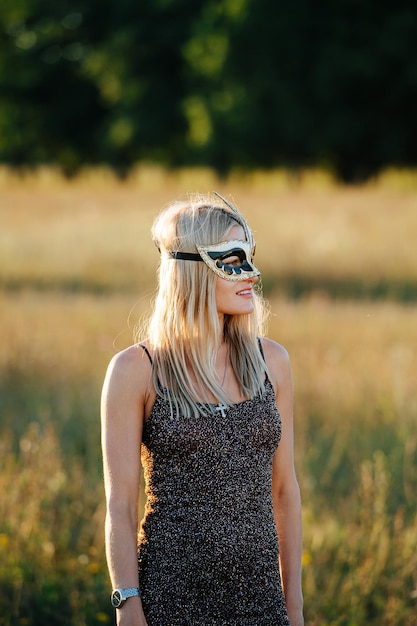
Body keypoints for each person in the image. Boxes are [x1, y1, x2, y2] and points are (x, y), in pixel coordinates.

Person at [101, 192, 304, 626]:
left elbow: (285, 491)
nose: (252, 273)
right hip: (170, 599)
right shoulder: (136, 370)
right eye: (233, 260)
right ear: (190, 269)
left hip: (261, 601)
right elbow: (120, 505)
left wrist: (295, 607)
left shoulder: (273, 362)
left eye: (251, 256)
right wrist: (127, 605)